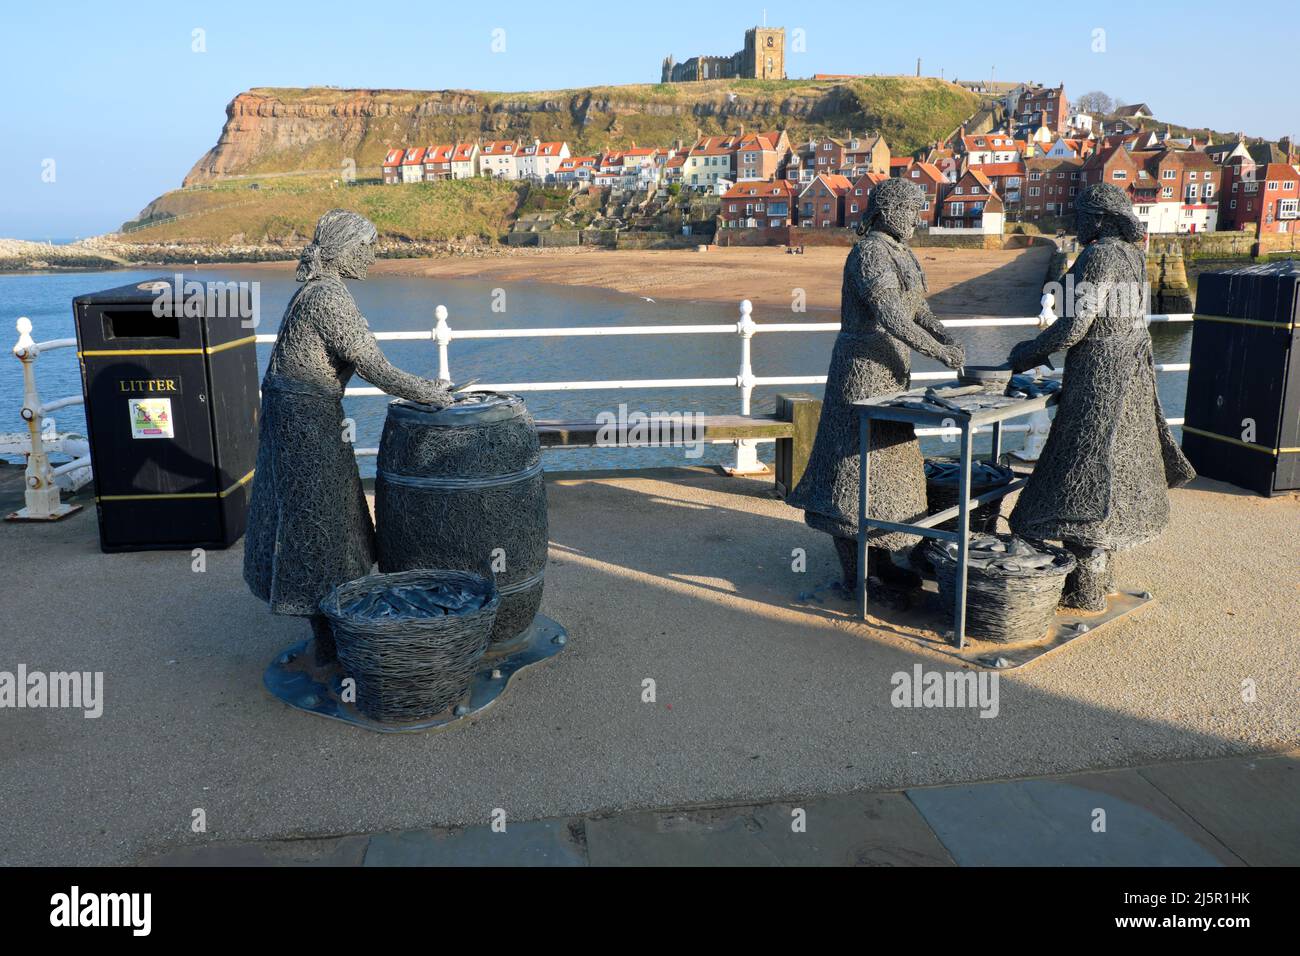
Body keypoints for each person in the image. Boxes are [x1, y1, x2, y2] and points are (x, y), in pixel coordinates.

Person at [243, 210, 453, 661]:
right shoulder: (328, 299)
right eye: (368, 247)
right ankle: (329, 639)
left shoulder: (314, 292)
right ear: (347, 250)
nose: (373, 257)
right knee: (319, 521)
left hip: (299, 415)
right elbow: (375, 367)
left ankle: (331, 626)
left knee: (317, 516)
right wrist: (431, 393)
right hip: (305, 422)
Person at [1006, 184, 1195, 610]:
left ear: (1103, 218)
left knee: (1085, 471)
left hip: (1099, 377)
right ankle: (1096, 582)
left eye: (1084, 214)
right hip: (1131, 372)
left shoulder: (1100, 256)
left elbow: (1075, 327)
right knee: (1107, 467)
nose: (1078, 221)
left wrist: (1024, 353)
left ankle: (1084, 593)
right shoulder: (1132, 256)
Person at [787, 179, 965, 602]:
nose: (917, 220)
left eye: (920, 211)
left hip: (891, 370)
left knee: (885, 463)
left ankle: (880, 561)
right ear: (887, 210)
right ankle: (856, 576)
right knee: (851, 466)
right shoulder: (869, 252)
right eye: (910, 210)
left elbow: (917, 308)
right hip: (861, 368)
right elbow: (887, 313)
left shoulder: (902, 252)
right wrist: (939, 352)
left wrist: (945, 335)